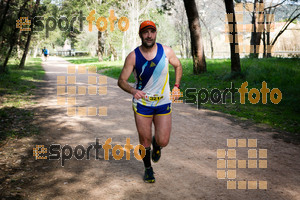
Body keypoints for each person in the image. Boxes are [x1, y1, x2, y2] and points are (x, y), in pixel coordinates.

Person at [118, 20, 182, 183]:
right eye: (145, 32)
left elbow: (178, 66)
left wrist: (176, 86)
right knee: (144, 140)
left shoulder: (166, 51)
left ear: (155, 34)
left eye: (152, 31)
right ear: (140, 34)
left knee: (163, 141)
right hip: (143, 105)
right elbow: (121, 81)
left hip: (163, 103)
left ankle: (157, 145)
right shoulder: (133, 56)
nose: (149, 35)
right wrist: (133, 90)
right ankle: (148, 169)